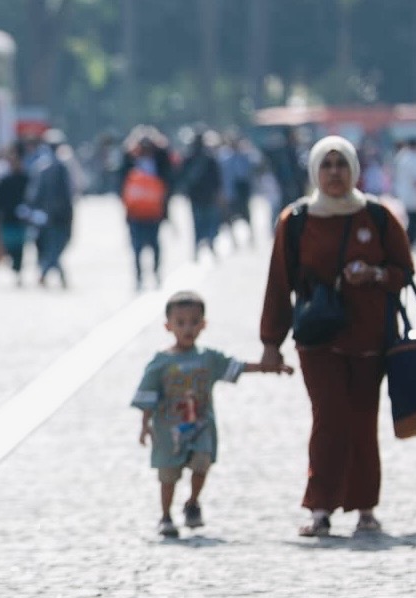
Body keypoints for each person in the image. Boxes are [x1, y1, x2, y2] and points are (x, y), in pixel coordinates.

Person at [260, 135, 415, 537]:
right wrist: (270, 343)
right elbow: (279, 283)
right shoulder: (295, 221)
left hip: (369, 337)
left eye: (341, 164)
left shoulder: (377, 217)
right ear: (314, 171)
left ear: (354, 168)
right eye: (326, 165)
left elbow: (404, 271)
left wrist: (375, 274)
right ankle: (321, 507)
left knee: (363, 419)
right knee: (328, 418)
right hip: (318, 339)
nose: (334, 173)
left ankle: (365, 506)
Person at [133, 291, 292, 538]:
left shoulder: (208, 359)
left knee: (202, 462)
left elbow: (236, 367)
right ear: (168, 326)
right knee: (168, 475)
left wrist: (268, 367)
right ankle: (165, 515)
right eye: (181, 322)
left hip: (201, 425)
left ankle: (193, 502)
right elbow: (147, 395)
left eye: (194, 322)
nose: (188, 328)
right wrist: (145, 425)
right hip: (168, 429)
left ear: (204, 324)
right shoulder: (161, 362)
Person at [120, 127, 174, 290]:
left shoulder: (159, 159)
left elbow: (169, 178)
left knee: (154, 245)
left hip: (154, 211)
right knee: (137, 247)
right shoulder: (130, 159)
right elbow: (121, 182)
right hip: (135, 211)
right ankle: (138, 276)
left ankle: (156, 272)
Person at [26, 132, 76, 288]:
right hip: (54, 216)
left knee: (53, 247)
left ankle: (48, 274)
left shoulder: (44, 167)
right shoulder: (54, 167)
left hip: (50, 215)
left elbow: (34, 194)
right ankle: (47, 274)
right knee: (53, 247)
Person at [182, 131, 224, 261]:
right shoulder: (209, 158)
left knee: (198, 224)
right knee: (210, 223)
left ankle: (197, 248)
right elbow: (217, 178)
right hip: (208, 196)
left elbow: (182, 177)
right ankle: (210, 244)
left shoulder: (189, 158)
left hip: (196, 197)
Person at [0, 142, 31, 285]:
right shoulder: (4, 180)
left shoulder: (26, 179)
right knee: (9, 245)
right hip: (7, 220)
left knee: (20, 247)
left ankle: (18, 270)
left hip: (21, 220)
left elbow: (31, 197)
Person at [391, 138, 416, 246]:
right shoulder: (415, 158)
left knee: (408, 219)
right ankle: (408, 241)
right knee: (413, 221)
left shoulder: (402, 157)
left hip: (404, 193)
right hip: (414, 195)